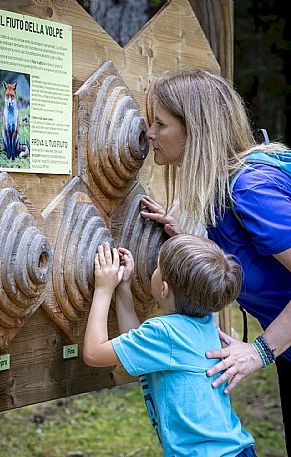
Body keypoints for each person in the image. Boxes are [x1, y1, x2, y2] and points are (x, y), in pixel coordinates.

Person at [139, 69, 291, 454]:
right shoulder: (218, 195)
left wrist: (258, 351)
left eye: (160, 124)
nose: (150, 134)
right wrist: (184, 237)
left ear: (194, 131)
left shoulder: (249, 190)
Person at [83, 236, 257, 457]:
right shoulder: (204, 322)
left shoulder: (166, 332)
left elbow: (93, 353)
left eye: (157, 267)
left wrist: (103, 288)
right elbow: (136, 347)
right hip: (235, 449)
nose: (153, 271)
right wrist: (123, 288)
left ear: (164, 288)